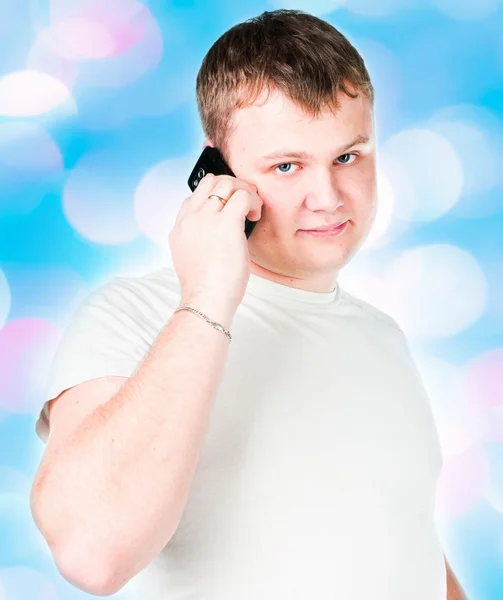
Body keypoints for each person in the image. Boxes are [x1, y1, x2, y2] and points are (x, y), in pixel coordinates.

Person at [30, 9, 468, 600]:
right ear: (218, 171)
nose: (328, 197)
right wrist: (209, 294)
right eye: (287, 166)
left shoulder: (383, 333)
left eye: (348, 156)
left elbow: (402, 542)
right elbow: (91, 554)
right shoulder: (134, 314)